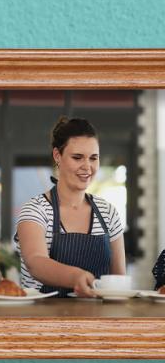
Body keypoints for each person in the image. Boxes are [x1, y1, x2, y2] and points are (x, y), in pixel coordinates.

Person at [15, 117, 126, 298]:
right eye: (77, 157)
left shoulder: (108, 213)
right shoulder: (35, 210)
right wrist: (76, 277)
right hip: (43, 321)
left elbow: (118, 280)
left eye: (93, 158)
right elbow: (35, 262)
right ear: (57, 156)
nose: (87, 167)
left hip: (98, 321)